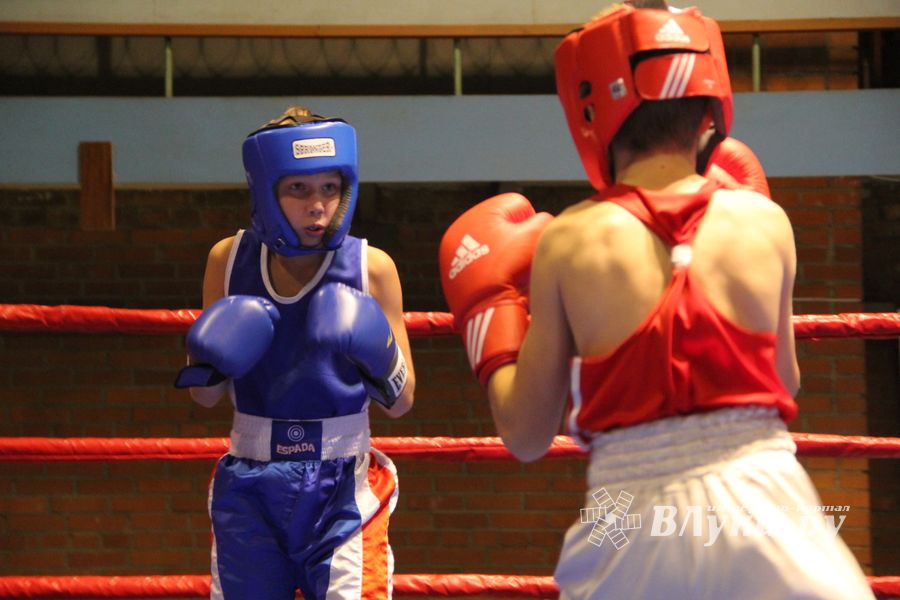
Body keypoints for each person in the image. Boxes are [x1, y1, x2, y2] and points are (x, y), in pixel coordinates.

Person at [438, 3, 874, 599]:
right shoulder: (764, 221)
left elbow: (526, 434)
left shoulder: (570, 240)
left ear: (590, 106)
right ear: (710, 104)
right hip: (763, 487)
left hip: (625, 506)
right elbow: (784, 382)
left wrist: (490, 319)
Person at [174, 106, 415, 600]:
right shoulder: (228, 261)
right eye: (298, 189)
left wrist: (377, 350)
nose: (318, 206)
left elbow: (403, 400)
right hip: (250, 479)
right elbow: (204, 397)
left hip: (342, 483)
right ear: (266, 191)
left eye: (330, 187)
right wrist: (211, 356)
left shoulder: (372, 267)